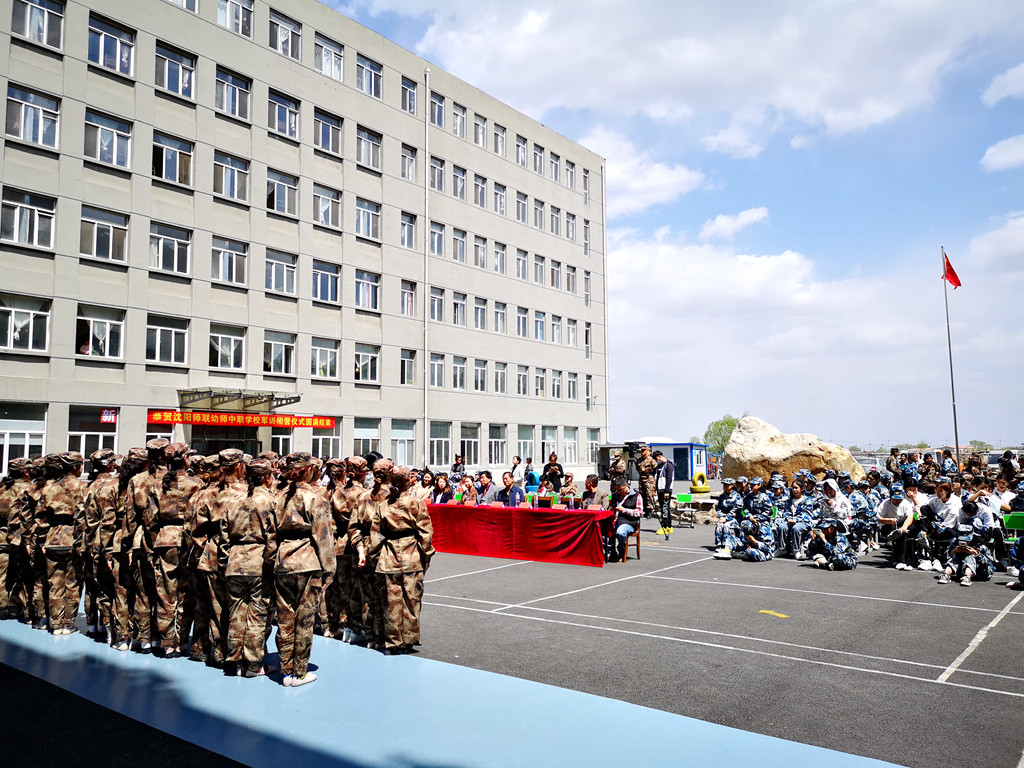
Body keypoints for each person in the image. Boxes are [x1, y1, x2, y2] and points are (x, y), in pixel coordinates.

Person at [267, 452, 335, 686]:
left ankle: (285, 671)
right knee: (305, 620)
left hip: (282, 561)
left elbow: (271, 535)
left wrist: (272, 561)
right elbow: (323, 536)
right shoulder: (315, 498)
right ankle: (299, 671)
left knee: (285, 618)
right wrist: (329, 569)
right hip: (308, 562)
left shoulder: (278, 497)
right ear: (308, 470)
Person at [368, 466, 434, 654]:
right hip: (412, 556)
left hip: (388, 557)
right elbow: (425, 534)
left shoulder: (383, 505)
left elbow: (375, 535)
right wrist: (426, 555)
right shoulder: (417, 504)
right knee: (412, 600)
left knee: (392, 602)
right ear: (408, 481)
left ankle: (394, 641)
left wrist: (374, 556)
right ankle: (409, 639)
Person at [224, 459, 276, 677]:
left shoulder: (234, 501)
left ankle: (233, 661)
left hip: (235, 562)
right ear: (266, 477)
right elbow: (273, 538)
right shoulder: (270, 501)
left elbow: (224, 537)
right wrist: (272, 565)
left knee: (236, 614)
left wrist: (226, 562)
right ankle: (254, 665)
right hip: (258, 563)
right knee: (257, 616)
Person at [38, 452, 87, 634]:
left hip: (52, 539)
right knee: (72, 583)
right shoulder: (81, 487)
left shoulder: (49, 487)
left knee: (54, 583)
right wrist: (80, 540)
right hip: (72, 540)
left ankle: (56, 623)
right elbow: (83, 517)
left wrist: (43, 540)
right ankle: (68, 623)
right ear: (75, 467)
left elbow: (41, 517)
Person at [607, 481, 642, 562]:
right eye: (618, 490)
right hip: (616, 521)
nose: (620, 492)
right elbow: (610, 507)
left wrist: (624, 510)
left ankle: (621, 551)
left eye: (621, 490)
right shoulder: (616, 495)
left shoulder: (636, 495)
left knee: (620, 532)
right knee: (602, 530)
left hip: (630, 522)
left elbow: (639, 512)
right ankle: (611, 551)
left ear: (626, 486)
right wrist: (612, 509)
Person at [653, 450, 675, 535]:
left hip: (665, 490)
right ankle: (669, 526)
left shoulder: (668, 465)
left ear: (660, 457)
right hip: (660, 489)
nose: (656, 461)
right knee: (663, 508)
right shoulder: (660, 466)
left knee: (665, 509)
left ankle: (665, 526)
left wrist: (667, 491)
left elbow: (669, 479)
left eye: (656, 459)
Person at [635, 446, 657, 520]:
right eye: (642, 451)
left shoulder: (651, 460)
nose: (643, 452)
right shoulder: (639, 460)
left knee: (649, 495)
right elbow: (637, 468)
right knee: (642, 494)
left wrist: (647, 471)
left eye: (644, 450)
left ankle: (650, 511)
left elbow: (655, 468)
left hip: (649, 479)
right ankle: (645, 510)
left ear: (649, 452)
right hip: (641, 479)